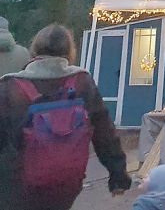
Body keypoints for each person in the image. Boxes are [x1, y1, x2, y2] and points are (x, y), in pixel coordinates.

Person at [0, 24, 131, 210]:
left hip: (17, 187)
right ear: (70, 51)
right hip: (65, 182)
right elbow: (104, 132)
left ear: (34, 49)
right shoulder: (82, 82)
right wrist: (118, 173)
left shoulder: (11, 87)